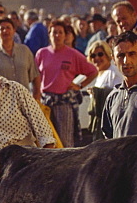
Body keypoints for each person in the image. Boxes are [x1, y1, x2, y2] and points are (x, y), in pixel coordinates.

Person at [35, 19, 96, 147]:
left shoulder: (72, 54)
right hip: (46, 102)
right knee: (46, 140)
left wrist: (79, 86)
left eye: (60, 32)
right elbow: (36, 77)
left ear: (65, 35)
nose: (57, 35)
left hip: (64, 103)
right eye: (54, 32)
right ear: (49, 34)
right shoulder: (42, 53)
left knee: (65, 141)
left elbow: (92, 71)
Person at [0, 17, 40, 100]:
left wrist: (36, 99)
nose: (5, 31)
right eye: (2, 29)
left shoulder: (25, 51)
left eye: (8, 28)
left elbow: (35, 76)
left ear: (14, 31)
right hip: (3, 103)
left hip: (25, 101)